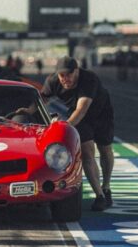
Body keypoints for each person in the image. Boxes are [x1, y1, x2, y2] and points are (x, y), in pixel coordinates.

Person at [41, 56, 115, 212]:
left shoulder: (89, 79)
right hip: (79, 119)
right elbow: (40, 101)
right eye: (62, 75)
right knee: (87, 153)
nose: (65, 79)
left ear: (77, 71)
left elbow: (82, 110)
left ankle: (106, 186)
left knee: (105, 149)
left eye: (69, 74)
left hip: (100, 113)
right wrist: (28, 110)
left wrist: (64, 126)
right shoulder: (53, 81)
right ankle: (99, 195)